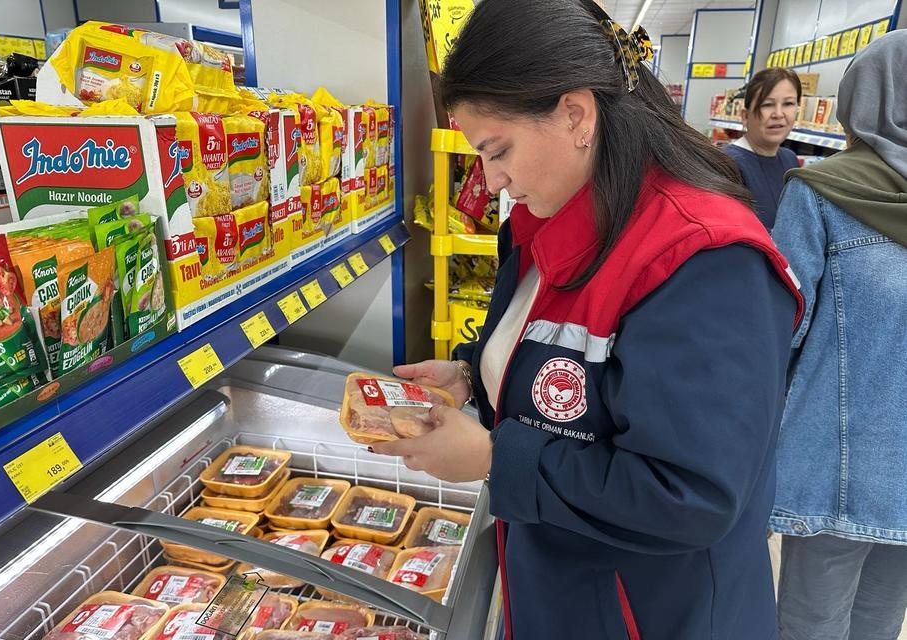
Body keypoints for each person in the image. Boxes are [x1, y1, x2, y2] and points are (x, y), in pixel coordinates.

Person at [370, 1, 803, 638]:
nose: (490, 182)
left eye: (498, 150)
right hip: (563, 589)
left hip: (657, 612)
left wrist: (495, 458)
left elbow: (688, 494)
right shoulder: (542, 219)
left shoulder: (706, 261)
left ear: (576, 113)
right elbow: (565, 367)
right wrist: (474, 374)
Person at [769, 31, 907, 640]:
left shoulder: (821, 192)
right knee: (880, 621)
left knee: (810, 623)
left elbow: (780, 327)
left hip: (835, 462)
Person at [723, 68, 802, 230]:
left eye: (788, 103)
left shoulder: (790, 159)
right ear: (745, 116)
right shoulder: (728, 164)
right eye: (767, 104)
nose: (778, 114)